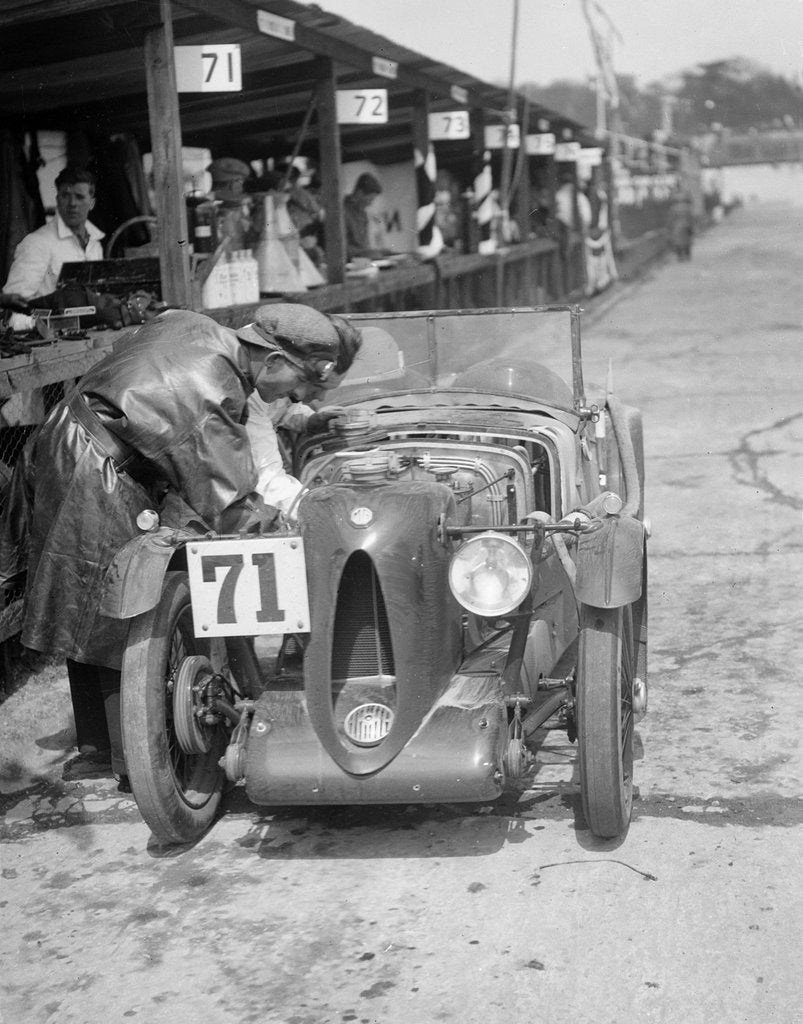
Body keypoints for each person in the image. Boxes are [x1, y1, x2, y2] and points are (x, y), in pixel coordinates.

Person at [0, 303, 362, 790]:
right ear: (272, 359)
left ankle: (95, 749)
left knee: (81, 598)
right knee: (113, 609)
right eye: (297, 383)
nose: (294, 395)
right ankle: (133, 763)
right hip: (99, 467)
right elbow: (230, 504)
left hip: (64, 439)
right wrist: (304, 535)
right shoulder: (215, 389)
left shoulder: (193, 325)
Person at [3, 164, 104, 303]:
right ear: (57, 199)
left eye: (79, 197)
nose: (72, 203)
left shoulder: (95, 243)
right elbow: (14, 304)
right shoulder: (37, 243)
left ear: (92, 203)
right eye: (65, 196)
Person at [343, 172, 386, 259]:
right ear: (359, 193)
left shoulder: (363, 214)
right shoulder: (341, 212)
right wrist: (364, 253)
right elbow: (339, 247)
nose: (370, 203)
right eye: (370, 199)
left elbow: (364, 246)